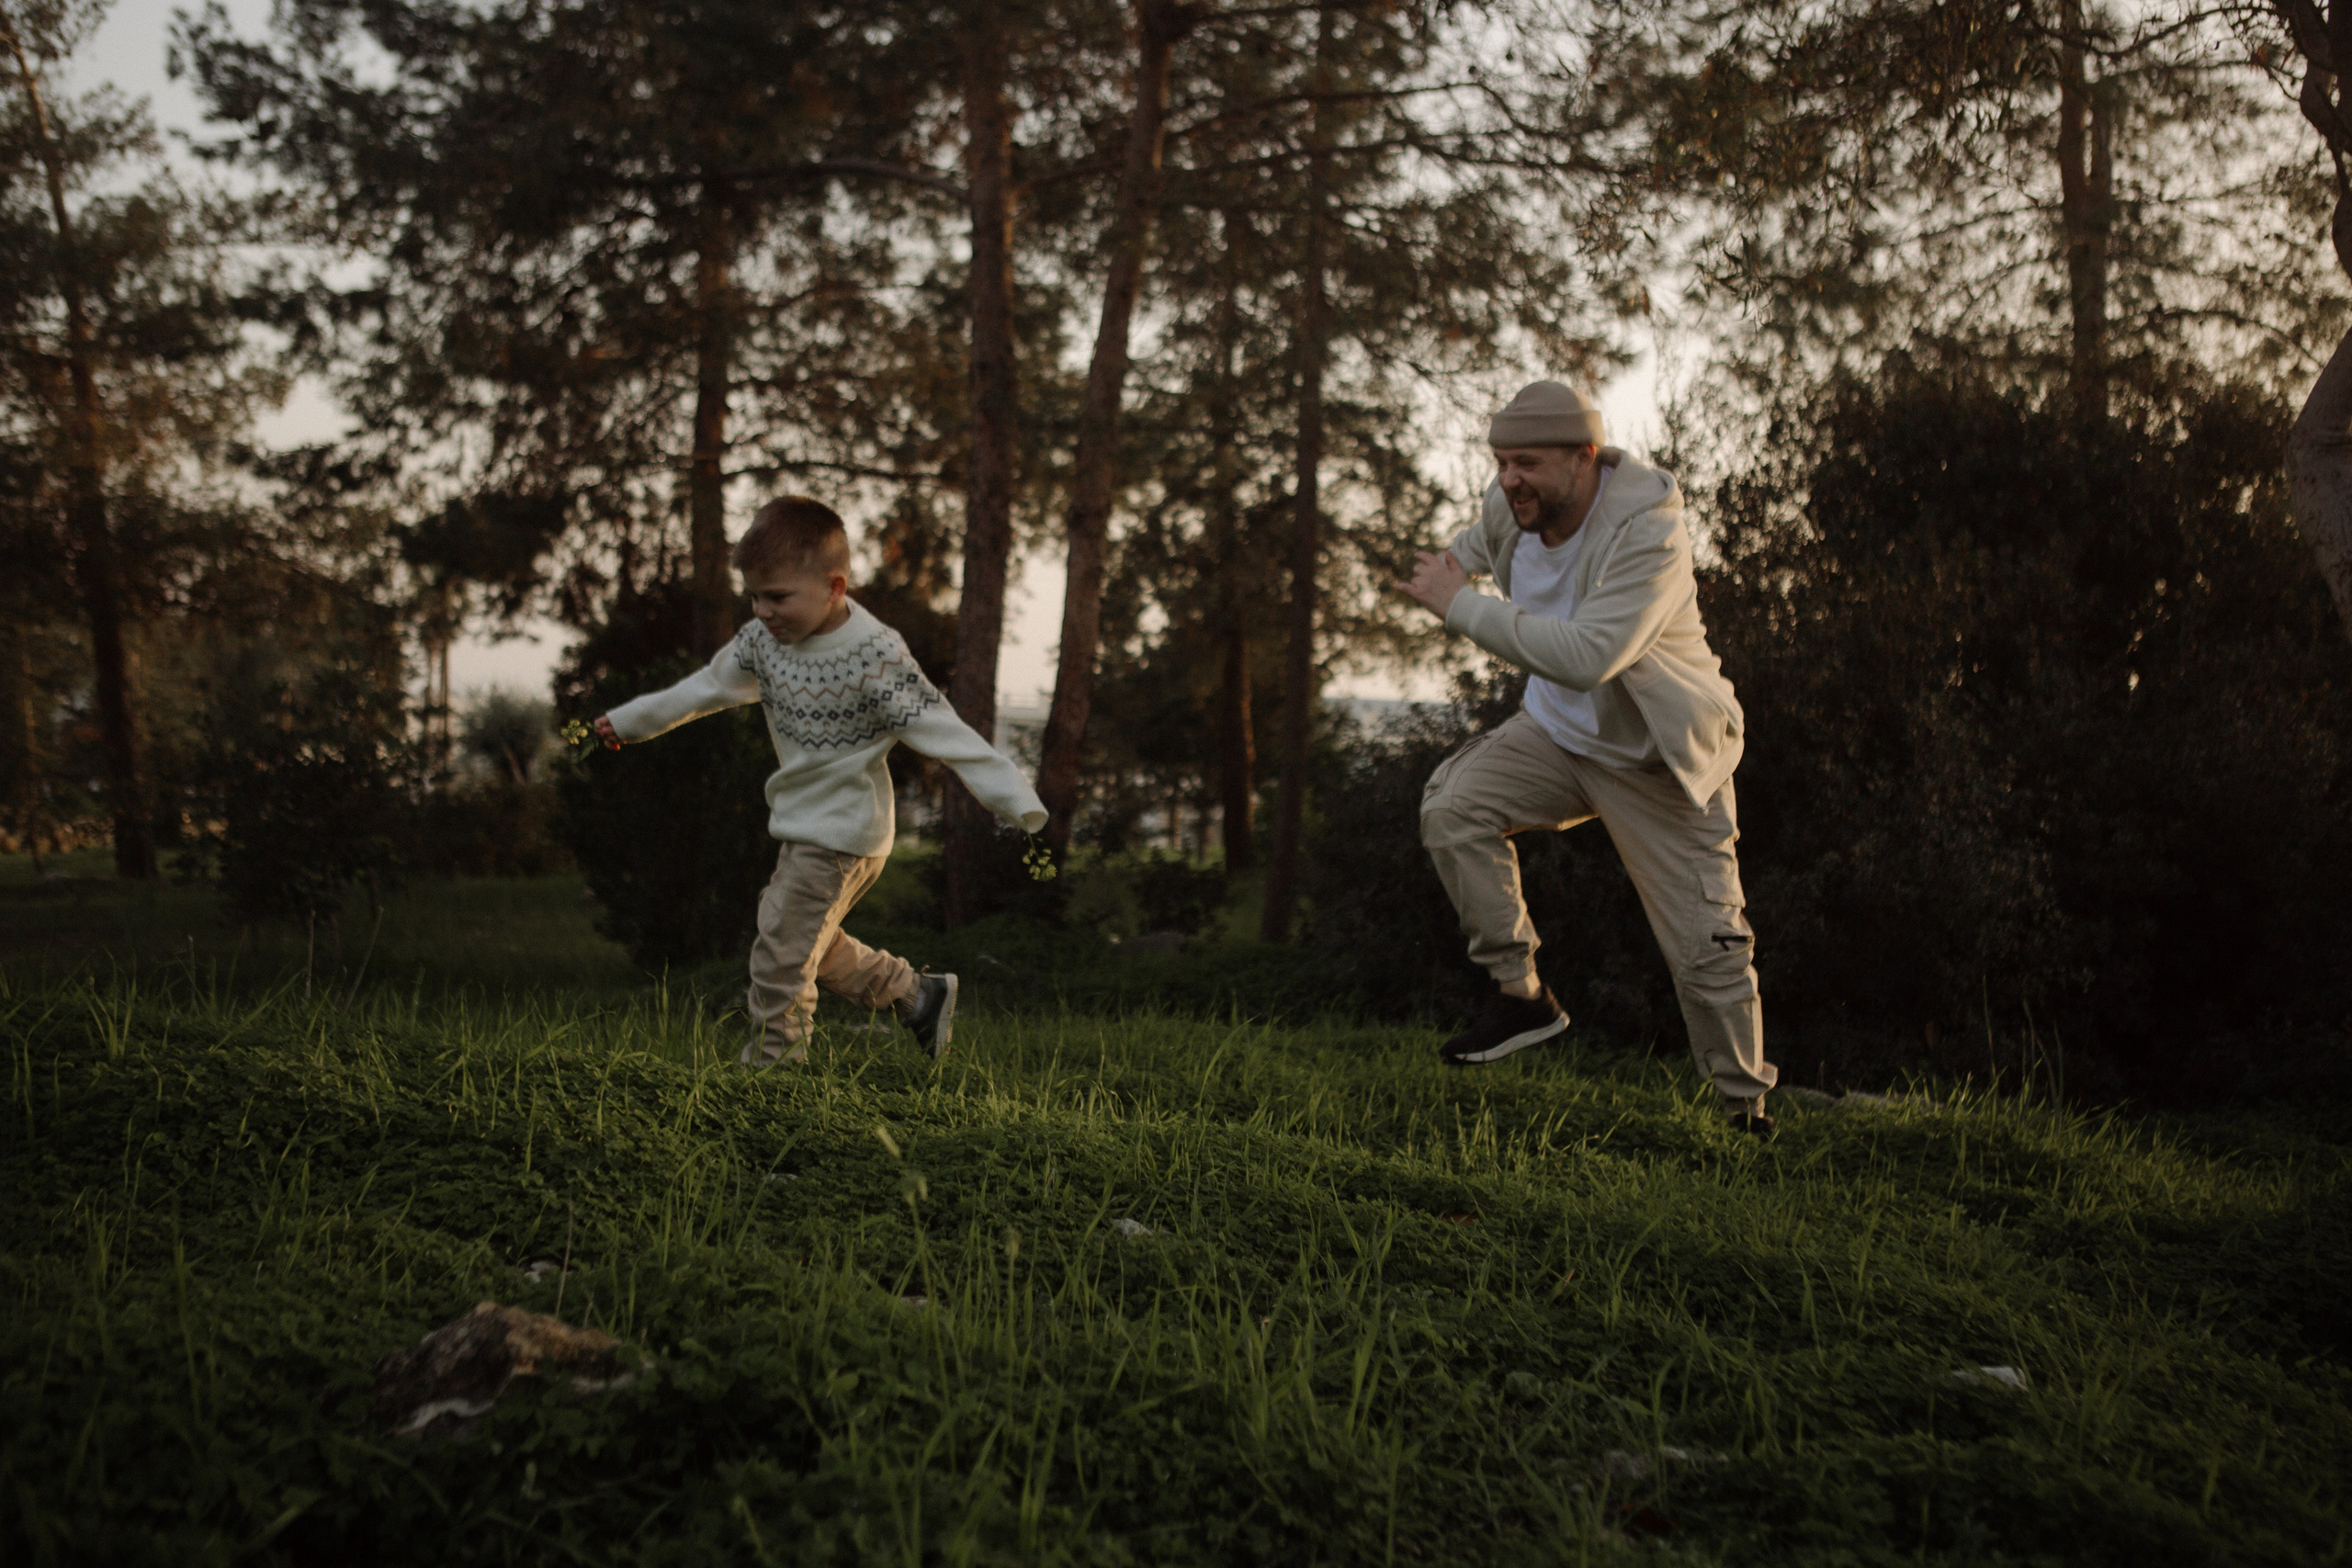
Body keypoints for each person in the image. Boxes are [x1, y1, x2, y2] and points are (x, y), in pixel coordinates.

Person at [1396, 381, 1779, 1135]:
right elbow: (1471, 547)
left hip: (1658, 760)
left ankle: (1744, 1113)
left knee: (1709, 952)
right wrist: (1440, 568)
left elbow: (1590, 657)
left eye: (1528, 463)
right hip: (1558, 738)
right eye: (1502, 462)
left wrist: (1461, 606)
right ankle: (1520, 995)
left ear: (1585, 457)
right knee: (1453, 804)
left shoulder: (1648, 530)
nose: (1510, 480)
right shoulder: (1512, 505)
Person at [593, 496, 1046, 1066]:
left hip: (845, 830)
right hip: (804, 824)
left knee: (781, 952)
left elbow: (941, 728)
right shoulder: (763, 643)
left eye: (778, 596)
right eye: (754, 597)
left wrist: (1016, 799)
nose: (763, 611)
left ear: (834, 587)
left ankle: (777, 1066)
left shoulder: (873, 654)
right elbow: (705, 688)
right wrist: (630, 722)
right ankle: (916, 996)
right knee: (796, 937)